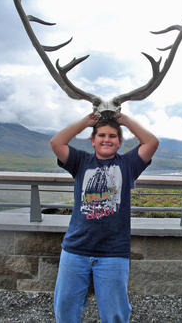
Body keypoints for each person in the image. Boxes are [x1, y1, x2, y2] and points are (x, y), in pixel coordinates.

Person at [50, 112, 159, 323]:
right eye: (101, 135)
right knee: (65, 308)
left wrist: (125, 121)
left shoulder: (128, 164)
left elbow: (151, 142)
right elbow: (57, 142)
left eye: (112, 136)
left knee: (115, 313)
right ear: (93, 141)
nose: (106, 139)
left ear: (119, 142)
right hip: (75, 249)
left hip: (113, 253)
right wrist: (85, 122)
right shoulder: (80, 161)